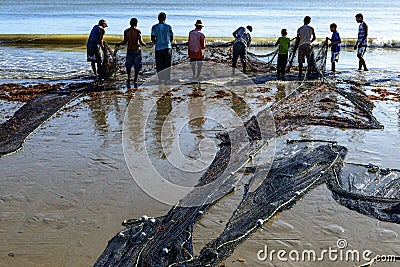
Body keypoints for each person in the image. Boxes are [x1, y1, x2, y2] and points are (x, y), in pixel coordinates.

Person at [117, 18, 146, 88]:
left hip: (129, 50)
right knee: (137, 66)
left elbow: (124, 42)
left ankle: (129, 78)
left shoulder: (126, 31)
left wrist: (118, 44)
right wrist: (145, 44)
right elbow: (141, 42)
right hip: (136, 51)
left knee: (128, 65)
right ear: (136, 23)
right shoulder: (138, 31)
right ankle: (135, 79)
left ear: (130, 23)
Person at [151, 12, 174, 82]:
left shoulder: (154, 27)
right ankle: (167, 79)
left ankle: (160, 79)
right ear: (165, 19)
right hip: (167, 47)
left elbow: (152, 37)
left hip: (158, 48)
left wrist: (157, 42)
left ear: (158, 18)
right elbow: (171, 37)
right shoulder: (168, 27)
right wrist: (168, 42)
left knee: (159, 65)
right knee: (167, 65)